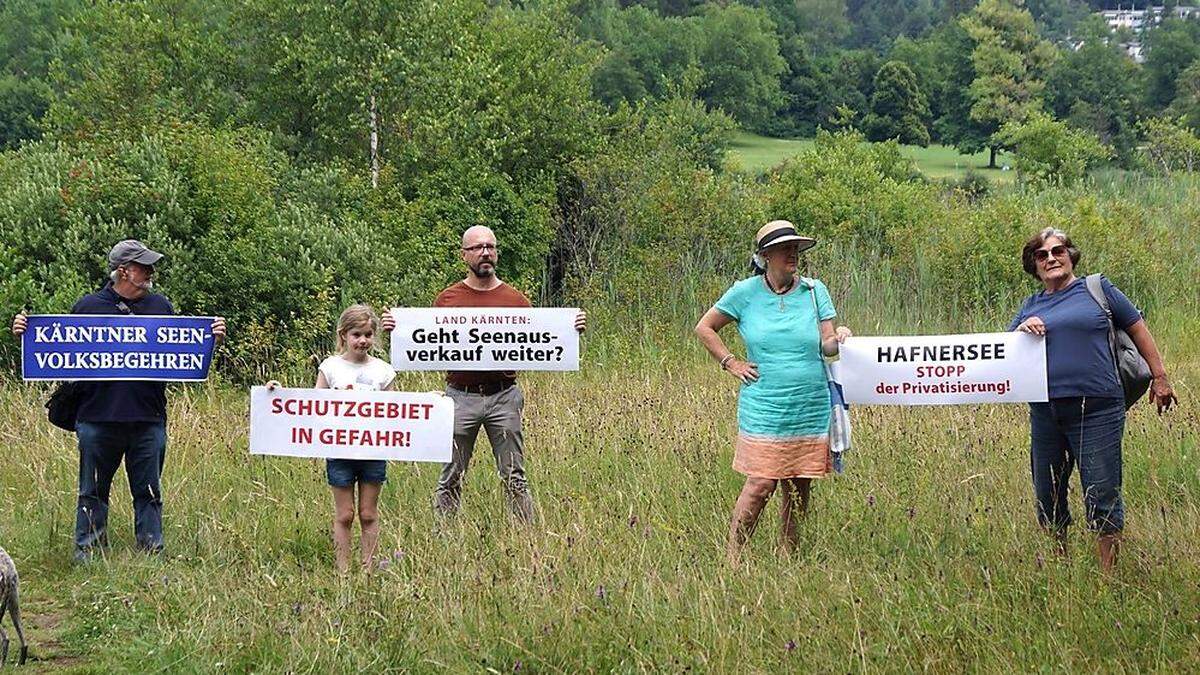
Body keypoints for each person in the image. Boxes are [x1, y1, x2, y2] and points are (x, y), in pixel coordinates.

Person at [11, 240, 226, 561]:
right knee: (92, 493)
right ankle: (89, 555)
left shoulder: (161, 307)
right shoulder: (87, 307)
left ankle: (152, 555)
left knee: (149, 494)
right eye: (143, 266)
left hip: (148, 420)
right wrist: (25, 334)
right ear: (123, 271)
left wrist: (212, 341)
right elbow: (59, 353)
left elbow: (180, 355)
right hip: (97, 420)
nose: (151, 271)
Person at [383, 225, 585, 522]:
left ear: (497, 253)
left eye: (490, 246)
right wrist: (396, 328)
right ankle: (444, 539)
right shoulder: (447, 299)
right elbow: (426, 339)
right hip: (459, 398)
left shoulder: (516, 301)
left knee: (514, 476)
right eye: (477, 248)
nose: (485, 253)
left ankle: (527, 540)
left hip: (503, 397)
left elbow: (540, 340)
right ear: (464, 255)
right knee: (451, 475)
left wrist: (572, 329)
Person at [1009, 227, 1176, 571]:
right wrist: (1023, 330)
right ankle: (1060, 567)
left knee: (1101, 492)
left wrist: (1160, 378)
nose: (1052, 258)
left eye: (1058, 251)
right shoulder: (1030, 305)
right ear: (1034, 266)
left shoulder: (1097, 289)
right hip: (1045, 411)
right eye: (1042, 255)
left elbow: (1138, 328)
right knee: (1048, 493)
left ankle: (1108, 577)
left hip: (1098, 408)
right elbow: (1007, 350)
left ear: (1071, 255)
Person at [694, 220, 852, 565]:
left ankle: (789, 559)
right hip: (765, 403)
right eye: (785, 249)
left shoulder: (813, 290)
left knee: (798, 485)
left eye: (795, 248)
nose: (792, 254)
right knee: (761, 484)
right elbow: (705, 328)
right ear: (766, 255)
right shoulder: (745, 293)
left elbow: (826, 346)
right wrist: (731, 362)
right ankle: (733, 557)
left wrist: (838, 336)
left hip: (809, 402)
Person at [271, 304, 395, 572]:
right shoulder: (330, 367)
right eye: (356, 334)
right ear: (343, 335)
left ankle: (368, 569)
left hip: (373, 452)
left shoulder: (384, 371)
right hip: (339, 452)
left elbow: (398, 411)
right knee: (345, 514)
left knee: (368, 513)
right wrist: (278, 394)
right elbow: (312, 404)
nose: (362, 340)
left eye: (367, 335)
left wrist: (432, 404)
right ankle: (342, 571)